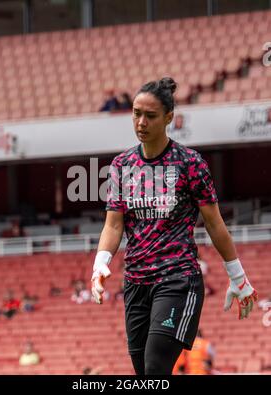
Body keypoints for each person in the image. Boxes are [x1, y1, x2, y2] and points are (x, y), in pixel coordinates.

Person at [90, 77, 258, 375]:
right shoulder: (121, 165)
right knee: (143, 374)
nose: (141, 122)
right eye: (136, 113)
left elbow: (215, 224)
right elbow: (113, 225)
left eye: (150, 116)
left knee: (155, 369)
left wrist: (238, 277)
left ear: (169, 117)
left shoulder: (190, 163)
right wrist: (101, 262)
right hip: (135, 284)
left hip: (177, 279)